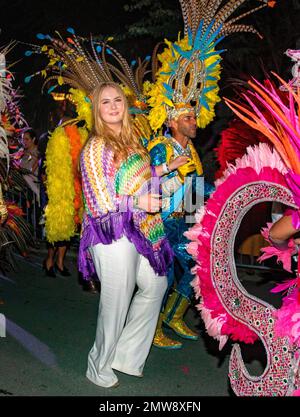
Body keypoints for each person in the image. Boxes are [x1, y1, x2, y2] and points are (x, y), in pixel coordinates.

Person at [78, 81, 173, 388]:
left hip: (140, 228)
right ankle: (99, 364)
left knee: (155, 286)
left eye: (117, 100)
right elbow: (98, 201)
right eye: (105, 102)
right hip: (110, 232)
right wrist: (137, 202)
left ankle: (126, 355)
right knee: (117, 298)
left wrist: (165, 169)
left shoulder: (133, 142)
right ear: (97, 110)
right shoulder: (95, 147)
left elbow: (137, 176)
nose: (113, 106)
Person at [149, 108, 204, 349]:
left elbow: (198, 191)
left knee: (197, 266)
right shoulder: (161, 148)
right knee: (163, 277)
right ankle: (152, 329)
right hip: (161, 222)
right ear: (172, 121)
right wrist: (175, 174)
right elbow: (148, 184)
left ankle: (173, 316)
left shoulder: (191, 151)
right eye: (187, 118)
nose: (194, 122)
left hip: (182, 223)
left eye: (194, 117)